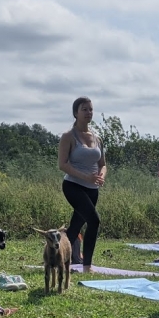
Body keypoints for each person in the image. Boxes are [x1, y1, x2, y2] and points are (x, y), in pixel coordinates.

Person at [58, 97, 107, 273]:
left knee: (75, 227)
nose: (88, 113)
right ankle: (87, 266)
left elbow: (102, 164)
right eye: (84, 109)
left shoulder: (97, 138)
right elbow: (62, 164)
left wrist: (101, 175)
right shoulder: (68, 136)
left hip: (92, 189)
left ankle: (56, 257)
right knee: (94, 220)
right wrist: (85, 177)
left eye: (90, 109)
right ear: (75, 113)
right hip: (73, 186)